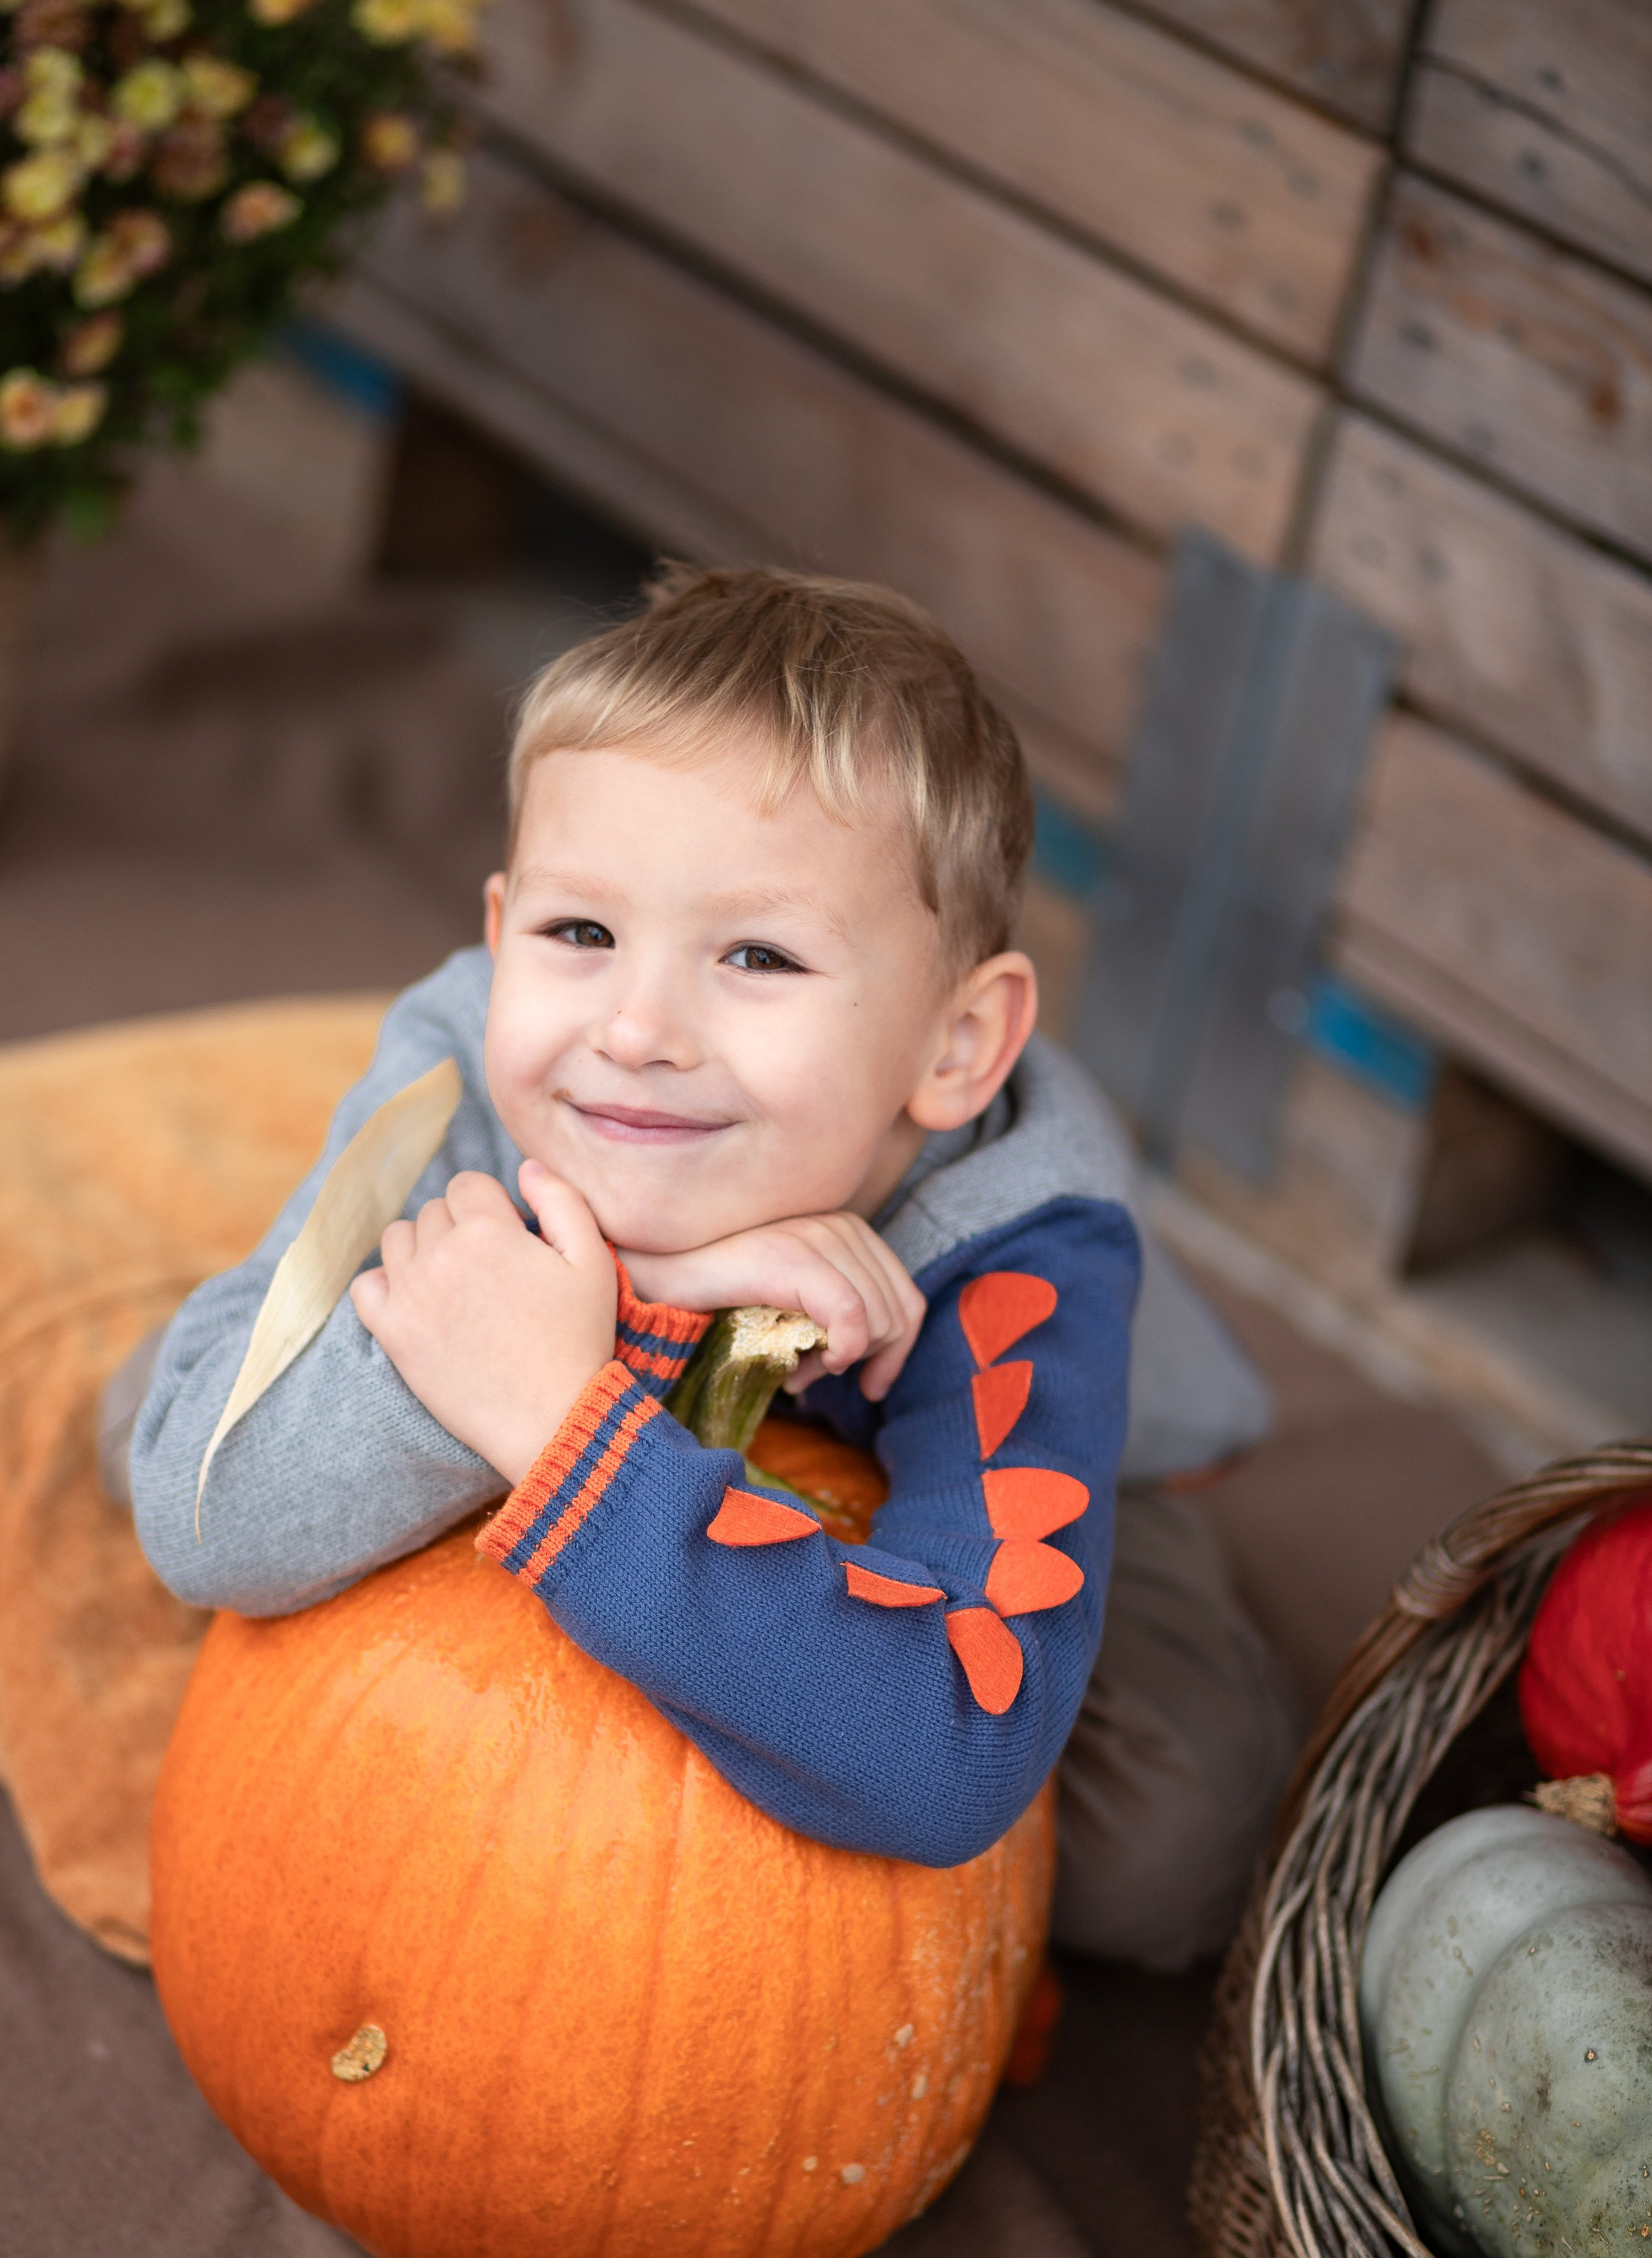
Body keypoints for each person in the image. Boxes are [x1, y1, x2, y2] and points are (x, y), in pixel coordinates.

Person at [119, 564, 1300, 1969]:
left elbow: (948, 1747)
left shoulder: (1023, 1239)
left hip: (1059, 1441)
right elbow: (209, 1526)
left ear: (953, 1047)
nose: (633, 1028)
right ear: (500, 939)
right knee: (170, 1423)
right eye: (579, 934)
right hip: (643, 1348)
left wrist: (565, 1428)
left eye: (755, 955)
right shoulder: (474, 1067)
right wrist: (652, 1303)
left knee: (1161, 1857)